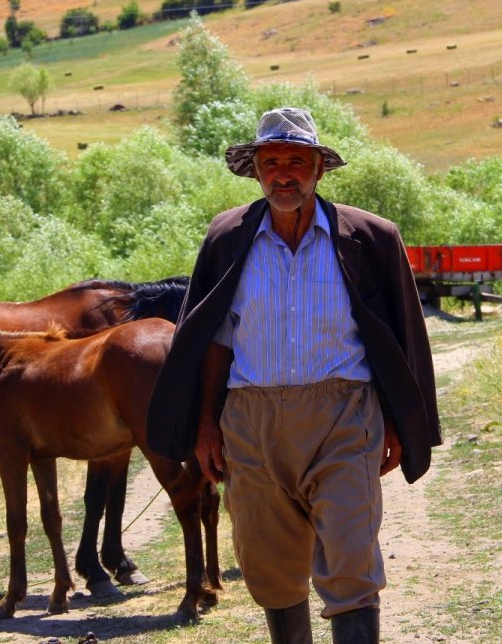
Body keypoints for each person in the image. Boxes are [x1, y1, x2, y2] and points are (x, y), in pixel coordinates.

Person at [146, 107, 440, 643]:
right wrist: (207, 424)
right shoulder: (227, 237)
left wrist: (397, 422)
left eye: (296, 161)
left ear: (319, 169)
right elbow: (214, 335)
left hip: (344, 417)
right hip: (251, 422)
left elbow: (399, 340)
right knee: (271, 568)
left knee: (350, 559)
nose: (284, 173)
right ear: (256, 171)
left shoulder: (370, 238)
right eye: (272, 161)